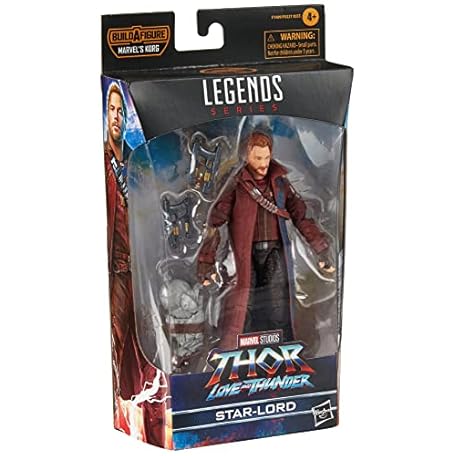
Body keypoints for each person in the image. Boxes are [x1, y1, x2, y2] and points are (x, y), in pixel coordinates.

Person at [197, 131, 334, 350]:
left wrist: (321, 249)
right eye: (258, 158)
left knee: (278, 306)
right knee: (245, 307)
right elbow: (214, 223)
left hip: (275, 252)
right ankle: (240, 350)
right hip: (245, 256)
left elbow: (302, 217)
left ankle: (281, 347)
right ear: (246, 156)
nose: (263, 164)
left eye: (266, 158)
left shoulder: (280, 184)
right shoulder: (236, 186)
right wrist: (206, 261)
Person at [104, 82, 167, 445]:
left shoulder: (135, 161)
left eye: (120, 111)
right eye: (111, 110)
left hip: (143, 264)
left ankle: (154, 419)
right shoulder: (103, 161)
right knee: (121, 345)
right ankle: (131, 417)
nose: (116, 117)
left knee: (151, 343)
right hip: (116, 269)